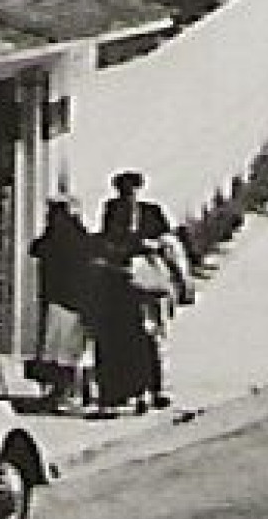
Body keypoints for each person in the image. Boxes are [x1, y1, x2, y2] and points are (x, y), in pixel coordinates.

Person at [97, 172, 173, 413]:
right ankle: (126, 392)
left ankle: (153, 389)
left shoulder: (151, 212)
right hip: (120, 285)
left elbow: (167, 241)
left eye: (131, 190)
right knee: (123, 341)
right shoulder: (112, 211)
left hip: (147, 287)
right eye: (124, 190)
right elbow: (107, 241)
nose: (128, 195)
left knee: (149, 338)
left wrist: (152, 247)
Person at [28, 194, 93, 412]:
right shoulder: (81, 238)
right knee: (71, 352)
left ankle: (63, 393)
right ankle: (74, 393)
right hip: (74, 302)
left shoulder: (57, 239)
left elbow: (36, 249)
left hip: (62, 301)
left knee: (61, 351)